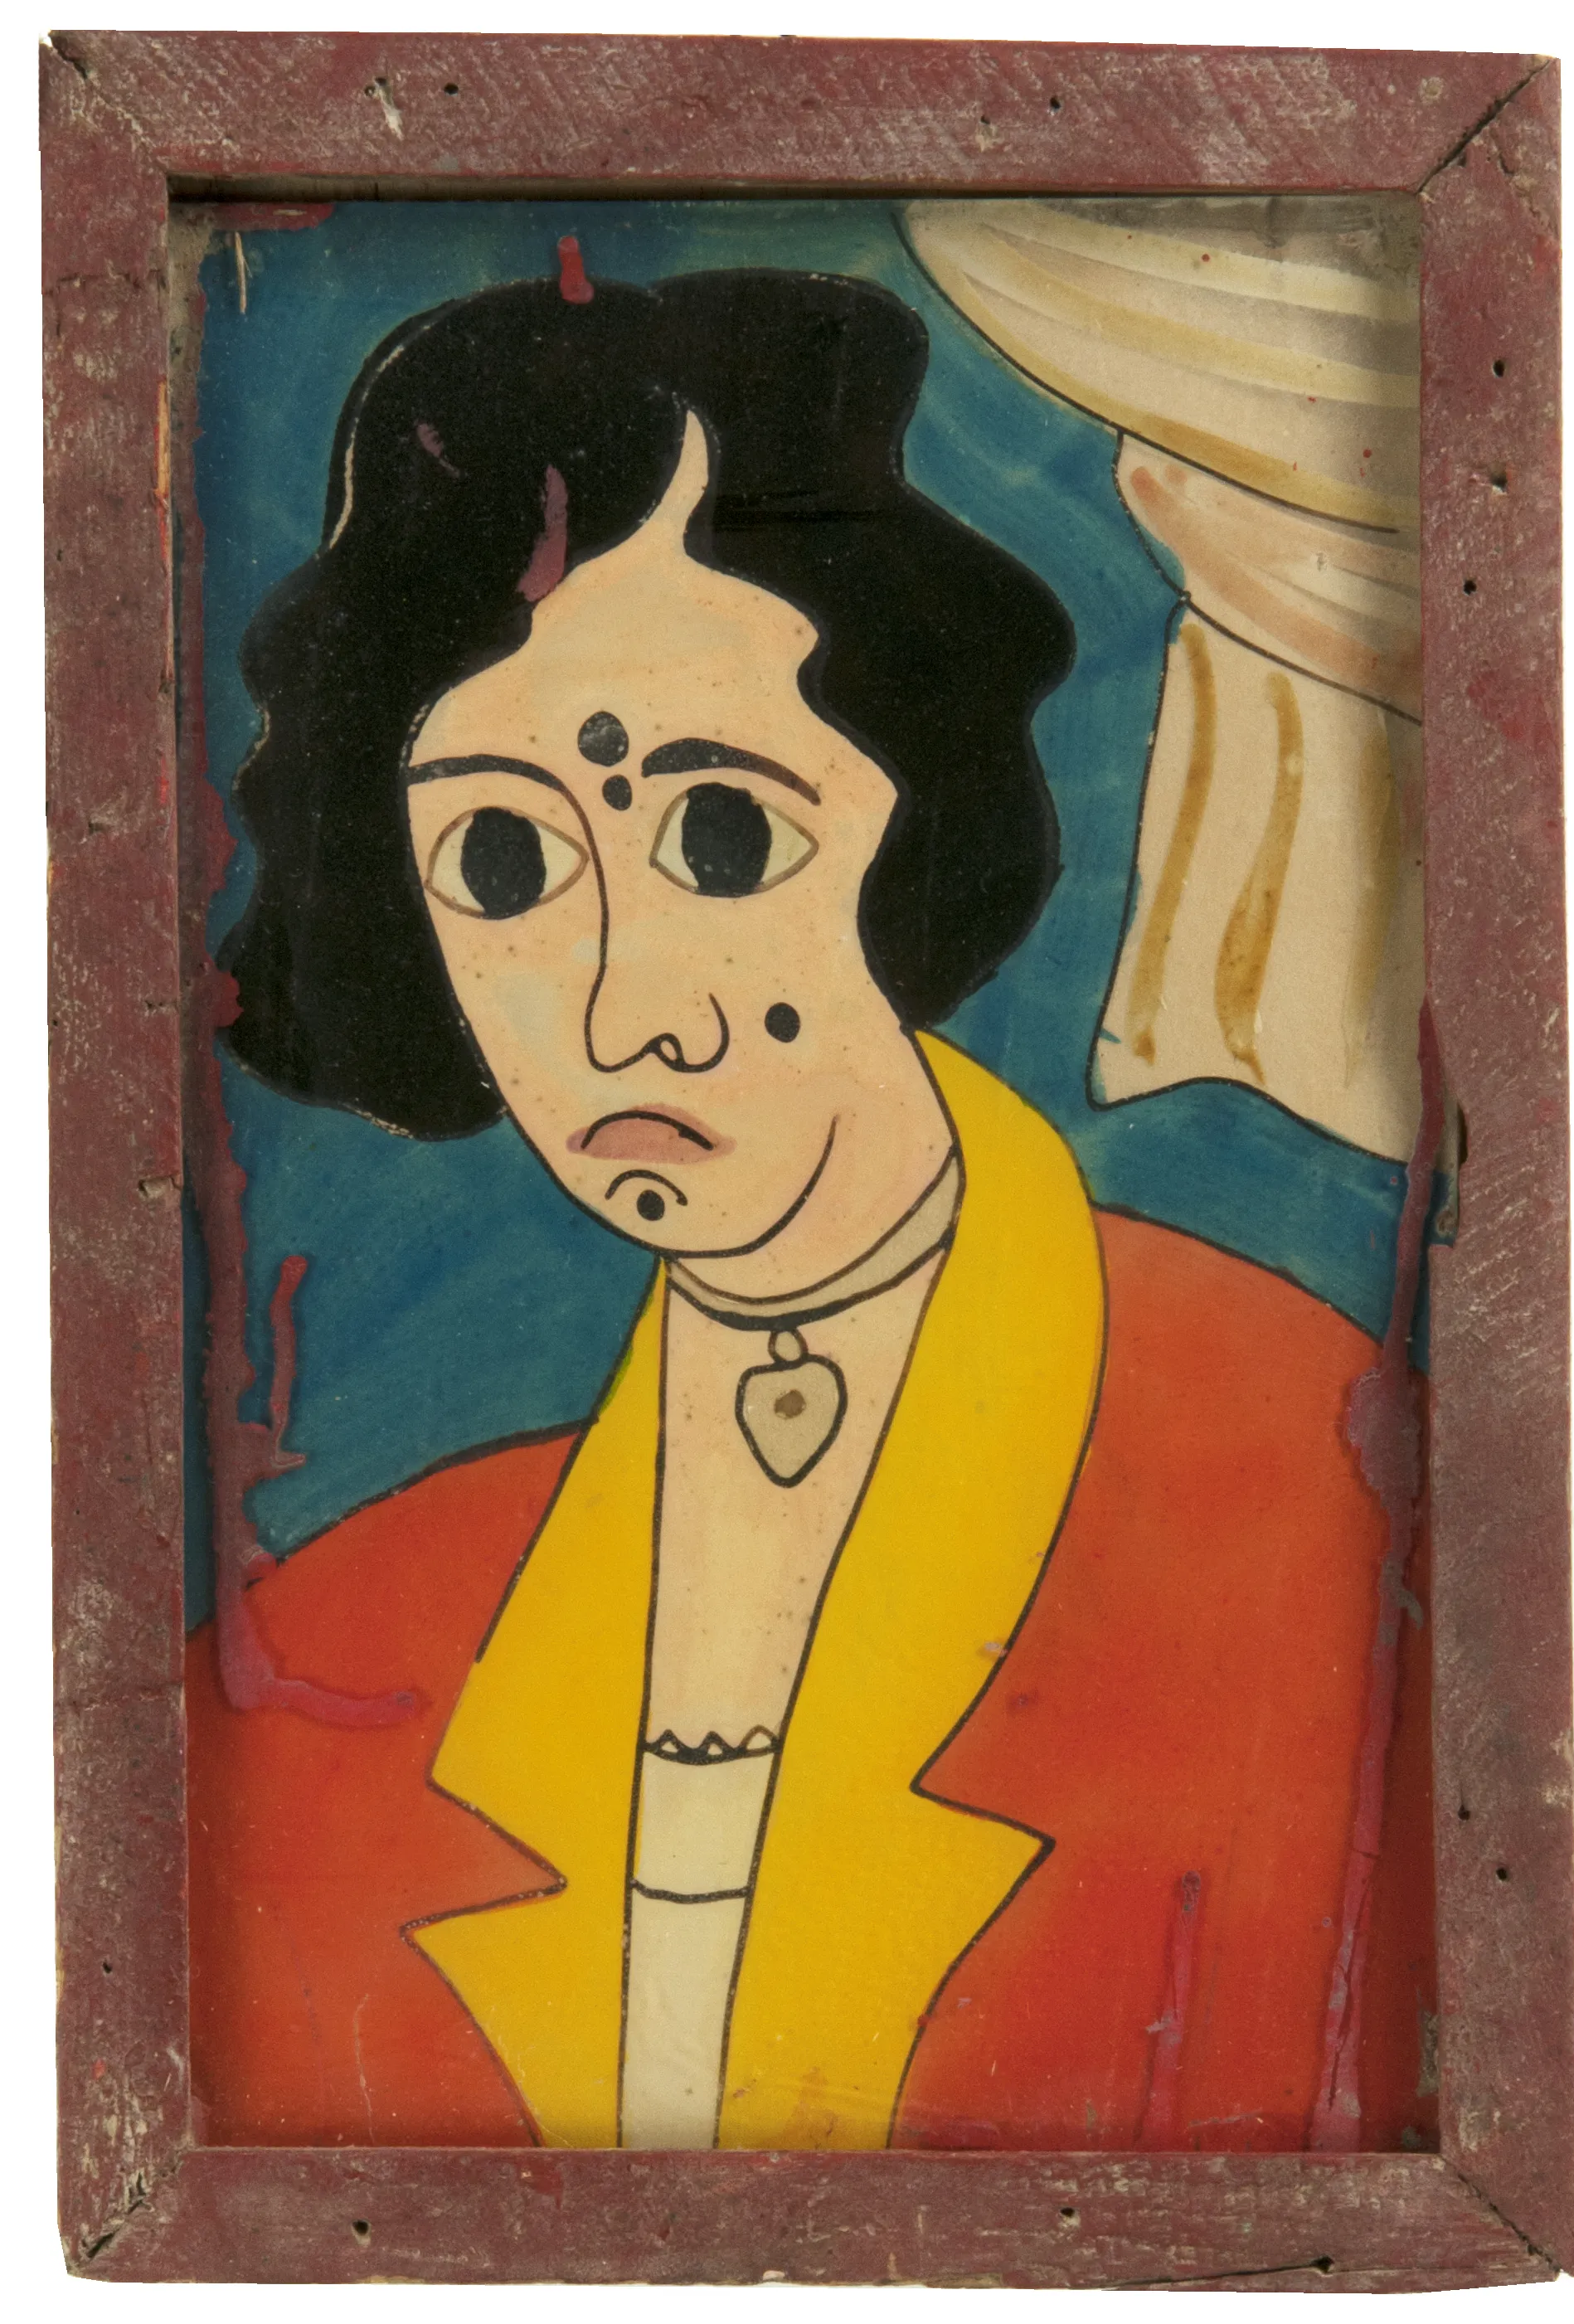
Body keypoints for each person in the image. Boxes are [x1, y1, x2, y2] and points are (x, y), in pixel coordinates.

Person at [187, 263, 1435, 2155]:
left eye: (721, 832)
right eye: (502, 861)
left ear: (913, 794)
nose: (630, 1009)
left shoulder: (1306, 1469)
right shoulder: (346, 1639)